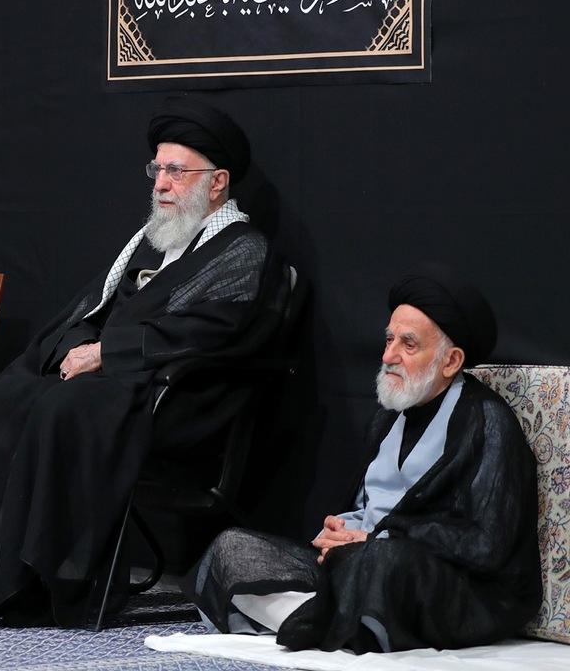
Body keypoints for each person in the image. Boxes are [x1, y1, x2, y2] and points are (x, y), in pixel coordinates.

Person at [0, 99, 292, 627]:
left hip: (172, 399)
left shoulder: (243, 251)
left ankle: (50, 584)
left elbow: (209, 335)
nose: (160, 184)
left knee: (61, 409)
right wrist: (72, 349)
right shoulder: (150, 242)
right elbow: (91, 309)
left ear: (217, 183)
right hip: (110, 383)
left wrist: (106, 354)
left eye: (176, 171)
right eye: (157, 170)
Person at [186, 265, 541, 653]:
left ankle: (321, 618)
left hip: (443, 585)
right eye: (389, 340)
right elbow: (369, 506)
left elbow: (487, 544)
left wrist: (383, 537)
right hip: (361, 563)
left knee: (382, 562)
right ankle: (330, 620)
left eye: (408, 345)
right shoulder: (388, 416)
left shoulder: (487, 422)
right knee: (232, 548)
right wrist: (341, 530)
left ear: (451, 361)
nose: (388, 356)